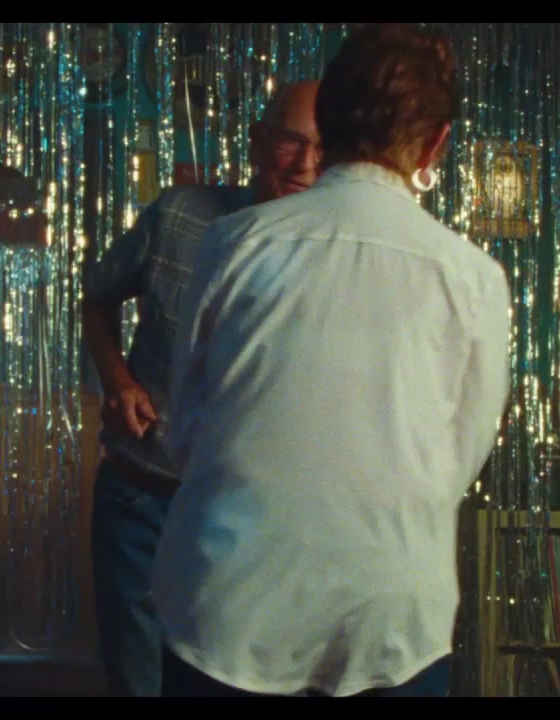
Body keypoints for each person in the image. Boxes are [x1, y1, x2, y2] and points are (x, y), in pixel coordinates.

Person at [153, 23, 512, 698]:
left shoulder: (233, 243)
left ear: (325, 117)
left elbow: (190, 429)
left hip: (230, 607)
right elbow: (459, 460)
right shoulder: (475, 279)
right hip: (392, 620)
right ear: (436, 143)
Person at [81, 79, 322, 697]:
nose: (305, 164)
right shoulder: (181, 215)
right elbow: (96, 296)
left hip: (248, 524)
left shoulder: (332, 260)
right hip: (142, 499)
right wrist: (116, 378)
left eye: (324, 149)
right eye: (291, 142)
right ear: (258, 142)